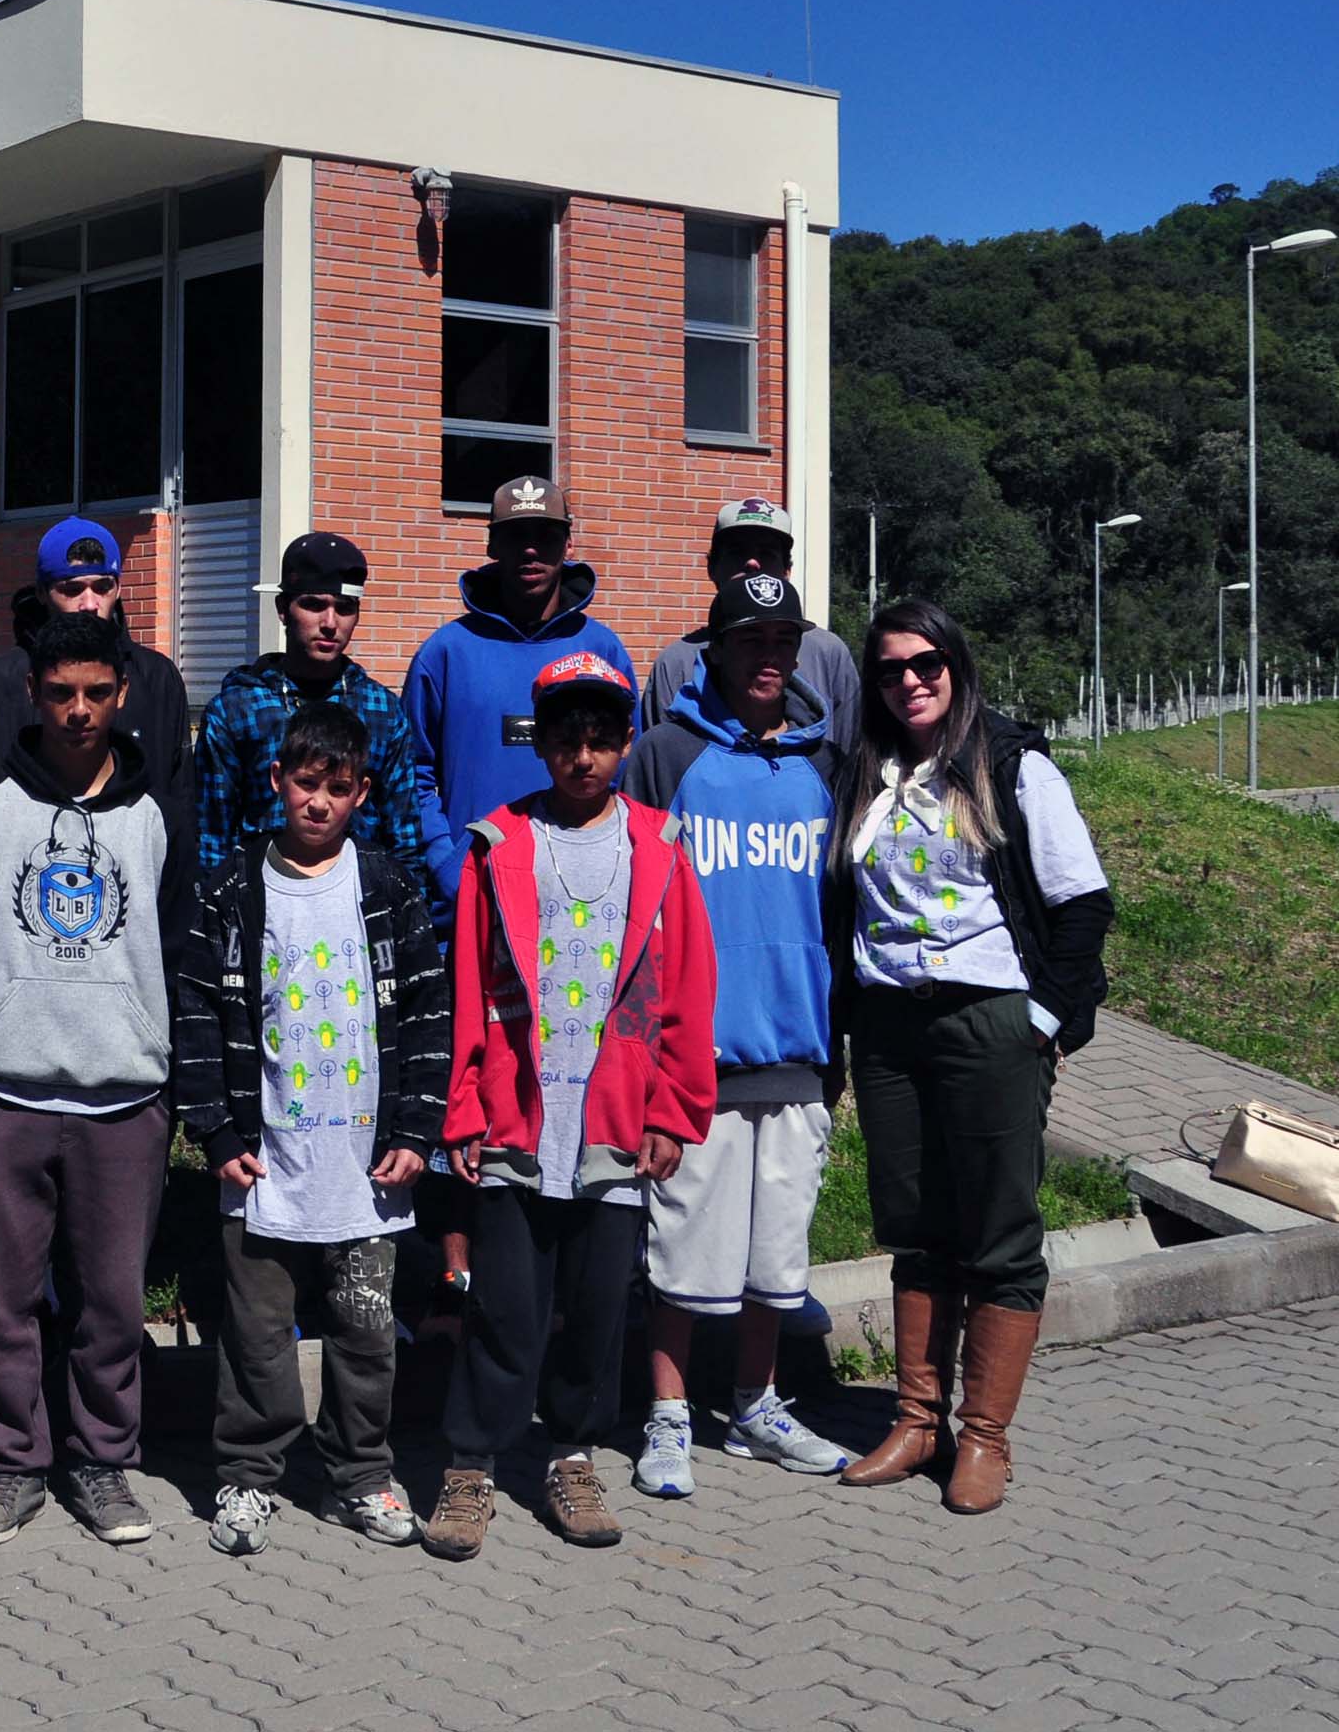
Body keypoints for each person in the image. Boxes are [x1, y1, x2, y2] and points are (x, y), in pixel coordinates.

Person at [419, 652, 715, 1563]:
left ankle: (572, 1455)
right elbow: (467, 984)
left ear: (626, 743)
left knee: (594, 1312)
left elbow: (688, 993)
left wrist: (674, 1110)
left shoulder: (662, 848)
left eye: (600, 739)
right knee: (505, 1308)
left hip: (615, 1123)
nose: (583, 757)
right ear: (539, 744)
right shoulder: (501, 845)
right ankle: (469, 1467)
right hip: (517, 1119)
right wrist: (461, 1106)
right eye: (566, 739)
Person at [832, 600, 1111, 1516]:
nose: (909, 680)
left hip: (989, 1020)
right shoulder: (866, 771)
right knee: (915, 1225)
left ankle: (985, 1435)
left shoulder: (1011, 763)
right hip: (890, 1028)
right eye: (889, 669)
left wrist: (1042, 1021)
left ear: (956, 665)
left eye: (927, 664)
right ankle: (919, 1422)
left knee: (997, 1230)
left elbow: (1082, 904)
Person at [173, 701, 449, 1558]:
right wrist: (215, 1132)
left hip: (367, 1166)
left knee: (366, 1331)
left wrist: (416, 1126)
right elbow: (193, 1020)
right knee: (257, 1333)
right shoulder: (230, 891)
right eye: (305, 782)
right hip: (262, 1162)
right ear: (276, 782)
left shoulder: (390, 886)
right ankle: (248, 1477)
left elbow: (433, 1013)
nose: (319, 801)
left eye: (337, 787)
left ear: (362, 792)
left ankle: (362, 1473)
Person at [0, 611, 192, 1550]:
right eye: (61, 693)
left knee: (113, 1305)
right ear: (31, 696)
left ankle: (102, 1463)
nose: (79, 710)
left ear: (123, 694)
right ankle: (10, 1467)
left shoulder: (155, 816)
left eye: (97, 692)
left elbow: (175, 953)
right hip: (4, 1097)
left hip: (123, 1100)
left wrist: (165, 1077)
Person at [620, 575, 852, 1497]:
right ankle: (669, 1415)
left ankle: (755, 1406)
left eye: (783, 641)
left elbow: (841, 912)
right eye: (750, 640)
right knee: (681, 1250)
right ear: (711, 648)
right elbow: (634, 909)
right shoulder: (666, 754)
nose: (769, 657)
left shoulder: (824, 763)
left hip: (796, 1049)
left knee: (773, 1252)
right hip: (694, 1058)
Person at [402, 476, 640, 913]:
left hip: (581, 893)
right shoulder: (446, 653)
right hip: (474, 894)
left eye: (546, 537)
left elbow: (625, 769)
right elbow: (410, 773)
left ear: (568, 545)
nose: (531, 550)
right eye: (515, 537)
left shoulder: (603, 650)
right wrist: (445, 859)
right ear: (493, 545)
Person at [192, 532, 440, 884]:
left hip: (358, 907)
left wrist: (408, 921)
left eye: (344, 608)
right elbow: (212, 839)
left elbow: (404, 838)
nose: (330, 623)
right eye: (313, 604)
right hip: (260, 908)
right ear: (283, 609)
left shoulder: (381, 711)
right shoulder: (238, 710)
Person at [0, 518, 193, 810]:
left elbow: (180, 795)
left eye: (103, 587)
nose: (90, 603)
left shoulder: (157, 677)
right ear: (42, 592)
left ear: (118, 588)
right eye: (72, 589)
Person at [639, 498, 861, 756]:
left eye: (767, 553)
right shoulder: (675, 663)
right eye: (737, 552)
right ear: (711, 567)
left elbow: (850, 759)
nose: (753, 563)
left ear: (787, 569)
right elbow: (659, 767)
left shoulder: (828, 653)